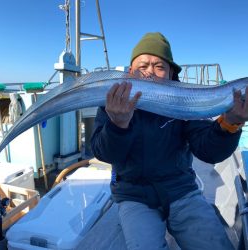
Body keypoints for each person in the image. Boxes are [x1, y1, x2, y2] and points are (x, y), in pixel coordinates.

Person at [91, 32, 246, 250]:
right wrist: (118, 124)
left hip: (181, 190)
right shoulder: (113, 101)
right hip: (134, 194)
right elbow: (103, 153)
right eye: (142, 66)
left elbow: (208, 151)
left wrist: (230, 124)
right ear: (130, 72)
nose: (149, 73)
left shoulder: (187, 100)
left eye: (159, 66)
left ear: (171, 74)